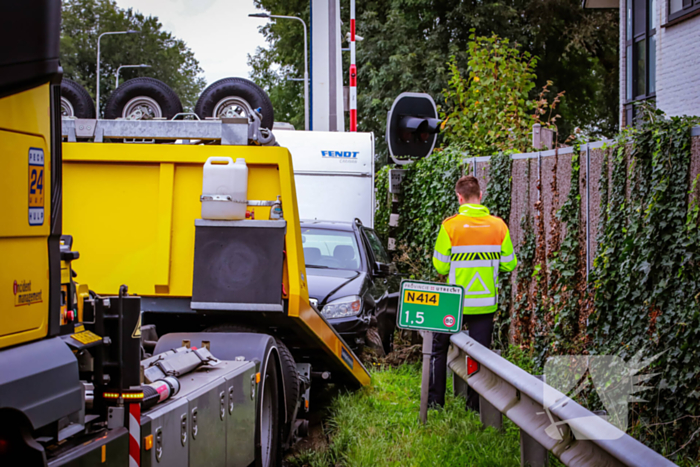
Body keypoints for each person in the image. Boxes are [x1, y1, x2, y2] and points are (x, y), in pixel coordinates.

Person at [429, 175, 517, 410]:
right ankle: (474, 405)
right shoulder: (498, 226)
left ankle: (435, 403)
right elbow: (510, 264)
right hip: (485, 304)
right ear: (480, 196)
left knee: (437, 350)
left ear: (459, 198)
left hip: (454, 303)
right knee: (478, 356)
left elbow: (440, 266)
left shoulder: (450, 226)